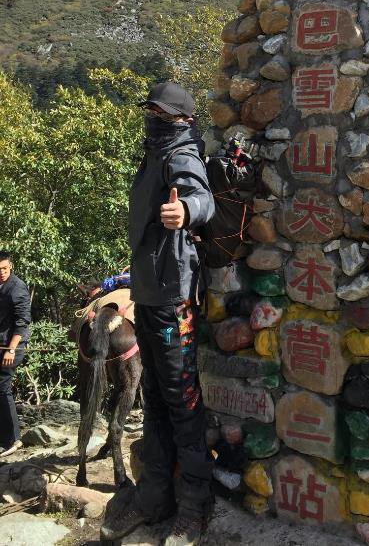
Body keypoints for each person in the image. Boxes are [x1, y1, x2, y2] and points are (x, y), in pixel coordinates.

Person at [101, 82, 215, 546]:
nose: (155, 119)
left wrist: (186, 210)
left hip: (172, 299)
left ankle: (193, 508)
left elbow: (201, 197)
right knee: (154, 396)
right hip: (148, 294)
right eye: (151, 110)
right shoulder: (152, 155)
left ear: (183, 120)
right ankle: (154, 502)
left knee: (182, 402)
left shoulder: (181, 154)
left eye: (164, 114)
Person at [0, 251, 31, 457]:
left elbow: (22, 321)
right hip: (1, 343)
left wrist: (11, 349)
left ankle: (13, 439)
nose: (1, 272)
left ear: (10, 267)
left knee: (3, 387)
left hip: (13, 346)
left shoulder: (17, 287)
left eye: (4, 268)